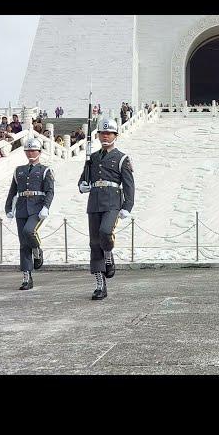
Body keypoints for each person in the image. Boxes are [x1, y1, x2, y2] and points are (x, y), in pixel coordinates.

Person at [78, 118, 135, 301]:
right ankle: (100, 285)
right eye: (102, 133)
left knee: (105, 232)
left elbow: (129, 185)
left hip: (112, 202)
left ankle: (109, 254)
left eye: (109, 133)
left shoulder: (122, 158)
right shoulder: (92, 158)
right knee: (94, 244)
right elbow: (82, 180)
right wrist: (82, 185)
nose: (105, 136)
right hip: (94, 202)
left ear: (115, 136)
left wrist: (127, 206)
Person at [4, 138, 55, 291]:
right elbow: (13, 191)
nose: (31, 153)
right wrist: (8, 208)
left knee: (29, 231)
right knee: (23, 244)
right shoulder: (19, 170)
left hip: (37, 208)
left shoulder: (45, 170)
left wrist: (46, 207)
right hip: (21, 208)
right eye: (28, 150)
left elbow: (50, 191)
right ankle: (27, 276)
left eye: (34, 150)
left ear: (39, 152)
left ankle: (37, 250)